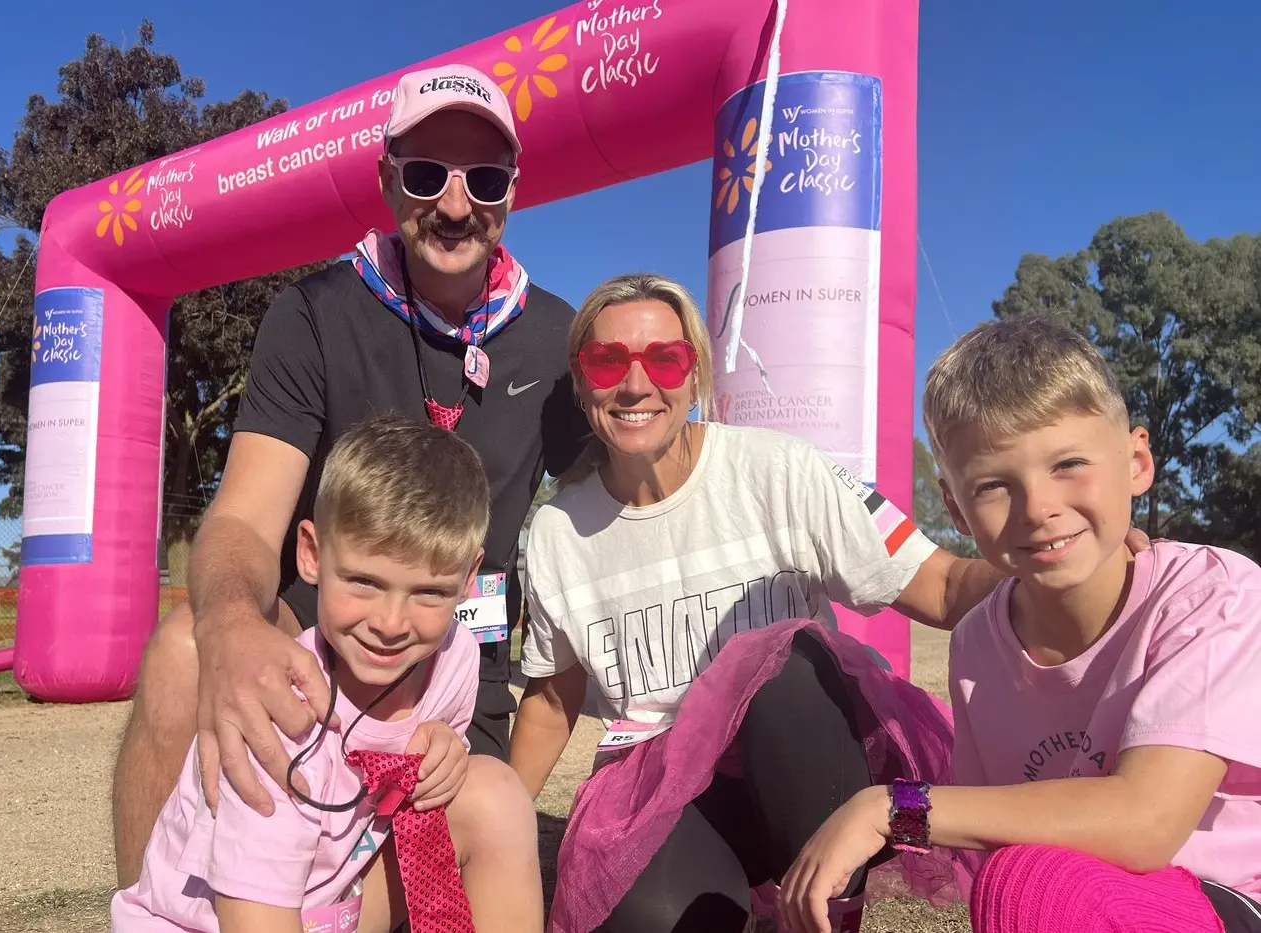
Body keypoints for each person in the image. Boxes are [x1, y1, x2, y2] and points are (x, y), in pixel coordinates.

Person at [507, 273, 1156, 933]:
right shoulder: (561, 530)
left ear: (696, 373)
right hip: (663, 788)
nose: (636, 383)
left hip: (802, 760)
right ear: (582, 380)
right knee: (654, 921)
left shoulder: (782, 469)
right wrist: (499, 815)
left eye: (664, 359)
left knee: (781, 666)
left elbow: (938, 583)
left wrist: (1060, 565)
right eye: (607, 360)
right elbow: (554, 696)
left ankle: (826, 912)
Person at [111, 63, 588, 887]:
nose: (452, 202)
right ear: (385, 177)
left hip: (453, 666)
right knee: (184, 649)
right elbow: (245, 520)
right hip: (317, 645)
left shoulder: (557, 338)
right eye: (425, 173)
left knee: (487, 803)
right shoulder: (313, 313)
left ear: (512, 189)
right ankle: (158, 908)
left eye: (482, 177)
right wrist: (227, 627)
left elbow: (623, 502)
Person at [781, 316, 1261, 933]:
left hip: (1226, 898)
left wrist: (890, 808)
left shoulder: (1210, 593)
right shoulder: (979, 639)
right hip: (1078, 899)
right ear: (954, 508)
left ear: (1137, 461)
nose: (1039, 509)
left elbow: (1146, 822)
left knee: (1038, 884)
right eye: (993, 485)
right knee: (1022, 880)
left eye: (1068, 464)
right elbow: (992, 845)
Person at [111, 415, 544, 933]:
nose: (390, 624)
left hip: (326, 903)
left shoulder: (453, 656)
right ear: (312, 556)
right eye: (363, 581)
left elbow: (427, 749)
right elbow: (253, 919)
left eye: (429, 592)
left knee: (495, 794)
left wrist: (446, 745)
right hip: (217, 920)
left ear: (468, 579)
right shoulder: (281, 720)